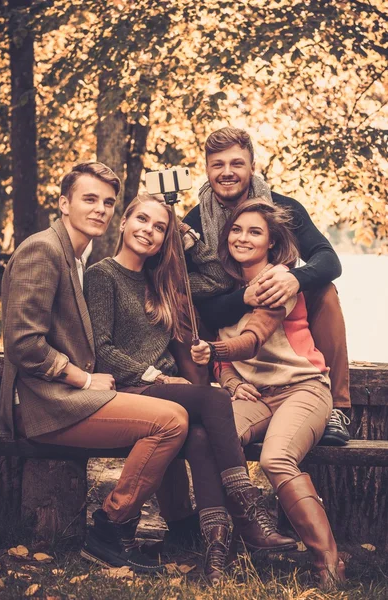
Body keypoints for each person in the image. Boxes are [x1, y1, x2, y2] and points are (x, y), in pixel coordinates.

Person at [83, 192, 297, 585]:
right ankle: (247, 508)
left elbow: (217, 277)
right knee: (215, 397)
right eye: (142, 220)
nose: (149, 231)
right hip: (131, 389)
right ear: (125, 221)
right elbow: (102, 349)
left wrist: (190, 238)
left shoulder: (162, 281)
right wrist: (156, 377)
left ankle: (214, 548)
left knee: (199, 436)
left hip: (164, 390)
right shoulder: (102, 275)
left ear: (167, 239)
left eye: (160, 228)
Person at [0, 162, 190, 574]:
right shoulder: (42, 250)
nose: (100, 209)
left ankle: (161, 527)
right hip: (42, 404)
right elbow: (22, 344)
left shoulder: (77, 256)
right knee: (171, 421)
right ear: (64, 203)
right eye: (89, 199)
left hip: (68, 396)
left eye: (107, 202)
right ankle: (110, 529)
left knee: (178, 412)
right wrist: (84, 378)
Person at [191, 199, 346, 590]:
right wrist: (227, 380)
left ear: (272, 242)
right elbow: (219, 351)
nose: (243, 237)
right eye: (237, 230)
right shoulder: (219, 288)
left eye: (254, 231)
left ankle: (327, 561)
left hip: (302, 389)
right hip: (252, 397)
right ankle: (224, 548)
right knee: (204, 437)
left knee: (277, 458)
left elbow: (249, 340)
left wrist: (215, 352)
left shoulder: (279, 280)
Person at [184, 126, 350, 444]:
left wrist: (294, 278)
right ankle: (211, 395)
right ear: (206, 169)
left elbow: (329, 260)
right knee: (184, 305)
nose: (227, 172)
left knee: (325, 290)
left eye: (237, 163)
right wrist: (245, 296)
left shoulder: (282, 208)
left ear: (252, 166)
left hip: (282, 310)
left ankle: (338, 408)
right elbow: (201, 307)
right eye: (218, 164)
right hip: (228, 320)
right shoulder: (194, 225)